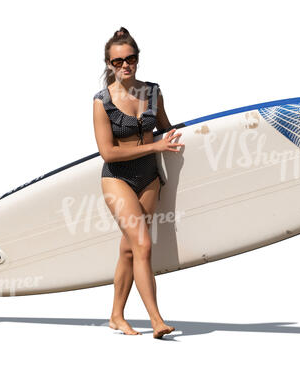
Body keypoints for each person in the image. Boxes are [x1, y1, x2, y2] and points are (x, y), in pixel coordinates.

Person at [92, 27, 184, 338]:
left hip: (149, 179)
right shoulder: (102, 102)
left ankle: (116, 316)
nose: (125, 65)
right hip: (118, 180)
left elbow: (166, 128)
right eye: (118, 61)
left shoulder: (153, 92)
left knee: (130, 250)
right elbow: (108, 152)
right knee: (143, 244)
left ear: (137, 59)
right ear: (109, 64)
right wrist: (156, 146)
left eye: (130, 59)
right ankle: (156, 320)